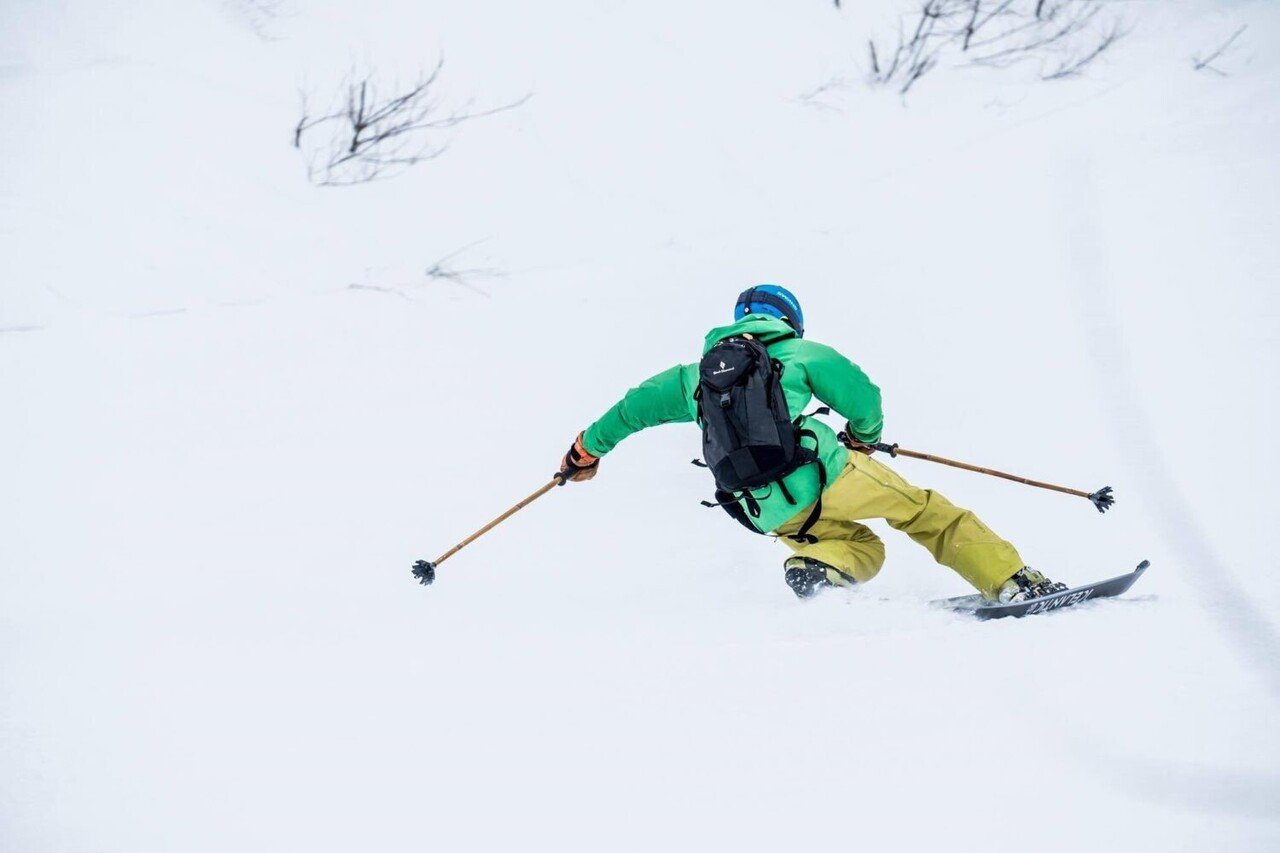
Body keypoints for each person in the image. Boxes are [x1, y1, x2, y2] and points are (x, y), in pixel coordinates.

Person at [558, 285, 1063, 603]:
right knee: (928, 513)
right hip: (823, 472)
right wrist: (863, 440)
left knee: (859, 547)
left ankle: (816, 569)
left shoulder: (691, 376)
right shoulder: (801, 352)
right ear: (790, 320)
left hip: (759, 507)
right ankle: (1013, 581)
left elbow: (628, 411)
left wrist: (585, 452)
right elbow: (864, 397)